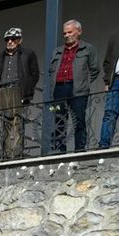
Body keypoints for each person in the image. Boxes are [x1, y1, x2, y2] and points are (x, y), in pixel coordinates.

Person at [48, 20, 102, 154]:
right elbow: (51, 70)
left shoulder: (87, 48)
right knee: (59, 120)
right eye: (64, 33)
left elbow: (95, 69)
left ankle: (79, 150)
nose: (67, 35)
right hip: (59, 89)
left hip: (78, 89)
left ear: (79, 31)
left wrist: (84, 83)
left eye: (70, 32)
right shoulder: (57, 51)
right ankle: (59, 151)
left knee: (79, 120)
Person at [0, 28, 40, 161]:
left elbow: (34, 74)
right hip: (1, 90)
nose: (10, 42)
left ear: (20, 40)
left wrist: (28, 92)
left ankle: (17, 154)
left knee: (17, 122)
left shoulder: (28, 54)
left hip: (18, 89)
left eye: (13, 39)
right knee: (2, 122)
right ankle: (5, 155)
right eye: (7, 39)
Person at [103, 28, 119, 149]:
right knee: (110, 113)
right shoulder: (115, 36)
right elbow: (107, 61)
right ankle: (104, 145)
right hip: (116, 80)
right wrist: (107, 81)